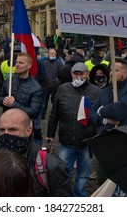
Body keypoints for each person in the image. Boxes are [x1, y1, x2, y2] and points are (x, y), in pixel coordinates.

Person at [47, 62, 101, 197]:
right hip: (66, 141)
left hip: (88, 142)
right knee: (64, 173)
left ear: (87, 74)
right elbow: (54, 114)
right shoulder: (62, 89)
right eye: (75, 73)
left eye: (81, 73)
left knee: (83, 175)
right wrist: (50, 134)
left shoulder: (96, 91)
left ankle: (79, 196)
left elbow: (101, 115)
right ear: (71, 74)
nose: (78, 76)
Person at [0, 108, 73, 196]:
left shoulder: (52, 166)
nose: (6, 134)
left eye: (12, 130)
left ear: (28, 130)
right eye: (2, 130)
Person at [89, 58, 127, 135]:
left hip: (121, 138)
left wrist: (100, 110)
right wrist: (103, 120)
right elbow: (91, 112)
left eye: (116, 70)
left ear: (125, 73)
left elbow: (117, 111)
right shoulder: (105, 90)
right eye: (111, 70)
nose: (111, 73)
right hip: (102, 138)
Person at [0, 52, 43, 121]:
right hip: (7, 122)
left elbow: (34, 113)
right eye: (16, 62)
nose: (17, 65)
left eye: (21, 63)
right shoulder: (9, 81)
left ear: (29, 66)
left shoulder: (36, 88)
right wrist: (3, 101)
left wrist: (13, 104)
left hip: (22, 126)